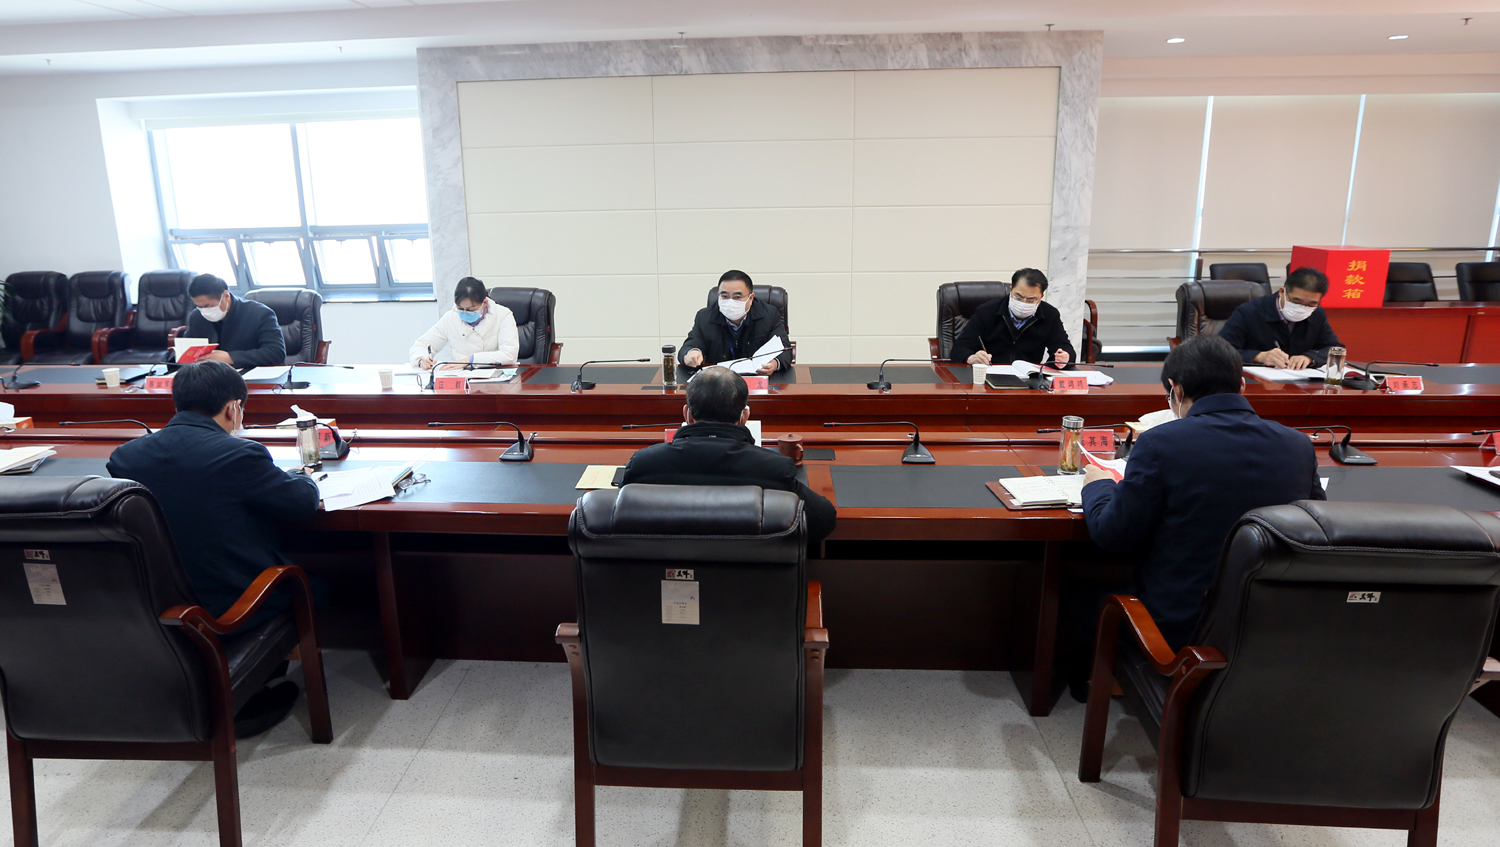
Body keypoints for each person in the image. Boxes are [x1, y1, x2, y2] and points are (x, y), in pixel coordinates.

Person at [106, 360, 323, 736]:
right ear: (233, 408)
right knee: (319, 589)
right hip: (227, 606)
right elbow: (301, 504)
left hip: (155, 607)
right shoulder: (240, 455)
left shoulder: (126, 457)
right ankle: (249, 688)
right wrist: (304, 478)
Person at [1078, 334, 1326, 653]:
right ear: (1242, 386)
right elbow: (1317, 533)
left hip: (1178, 629)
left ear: (1176, 389)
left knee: (1074, 595)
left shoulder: (1159, 443)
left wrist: (1098, 484)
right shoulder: (1297, 445)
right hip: (1268, 627)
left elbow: (1113, 536)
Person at [620, 366, 836, 543]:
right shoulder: (773, 469)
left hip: (661, 579)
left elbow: (620, 521)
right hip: (749, 581)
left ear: (687, 415)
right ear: (744, 417)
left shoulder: (644, 464)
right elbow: (824, 520)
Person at [1217, 267, 1343, 369]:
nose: (1302, 308)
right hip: (1255, 381)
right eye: (1296, 301)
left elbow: (1335, 349)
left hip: (1299, 382)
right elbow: (1221, 351)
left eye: (1311, 304)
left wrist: (1310, 357)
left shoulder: (1317, 314)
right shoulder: (1249, 311)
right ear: (1282, 292)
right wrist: (1259, 356)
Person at [948, 268, 1077, 367]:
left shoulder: (1050, 314)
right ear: (1011, 289)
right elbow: (959, 348)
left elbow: (1064, 348)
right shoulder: (987, 311)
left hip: (1028, 380)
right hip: (989, 376)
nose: (1024, 303)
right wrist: (972, 358)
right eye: (1019, 297)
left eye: (1031, 299)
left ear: (1041, 297)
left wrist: (1064, 357)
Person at [679, 270, 792, 376]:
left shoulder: (769, 314)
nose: (730, 302)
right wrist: (691, 353)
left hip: (756, 377)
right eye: (724, 296)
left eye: (737, 297)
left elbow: (785, 349)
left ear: (751, 298)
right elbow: (689, 346)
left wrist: (774, 363)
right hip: (718, 380)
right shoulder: (705, 317)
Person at [409, 276, 519, 370]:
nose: (465, 313)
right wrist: (421, 359)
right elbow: (422, 344)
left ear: (484, 303)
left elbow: (509, 354)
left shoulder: (503, 315)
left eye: (471, 309)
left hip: (496, 377)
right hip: (461, 378)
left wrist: (471, 360)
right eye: (461, 309)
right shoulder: (450, 318)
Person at [186, 274, 287, 368]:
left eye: (208, 306)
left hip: (250, 374)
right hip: (209, 376)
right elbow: (187, 349)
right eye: (199, 307)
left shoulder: (259, 314)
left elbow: (276, 353)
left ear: (226, 295)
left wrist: (230, 358)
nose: (204, 311)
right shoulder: (196, 316)